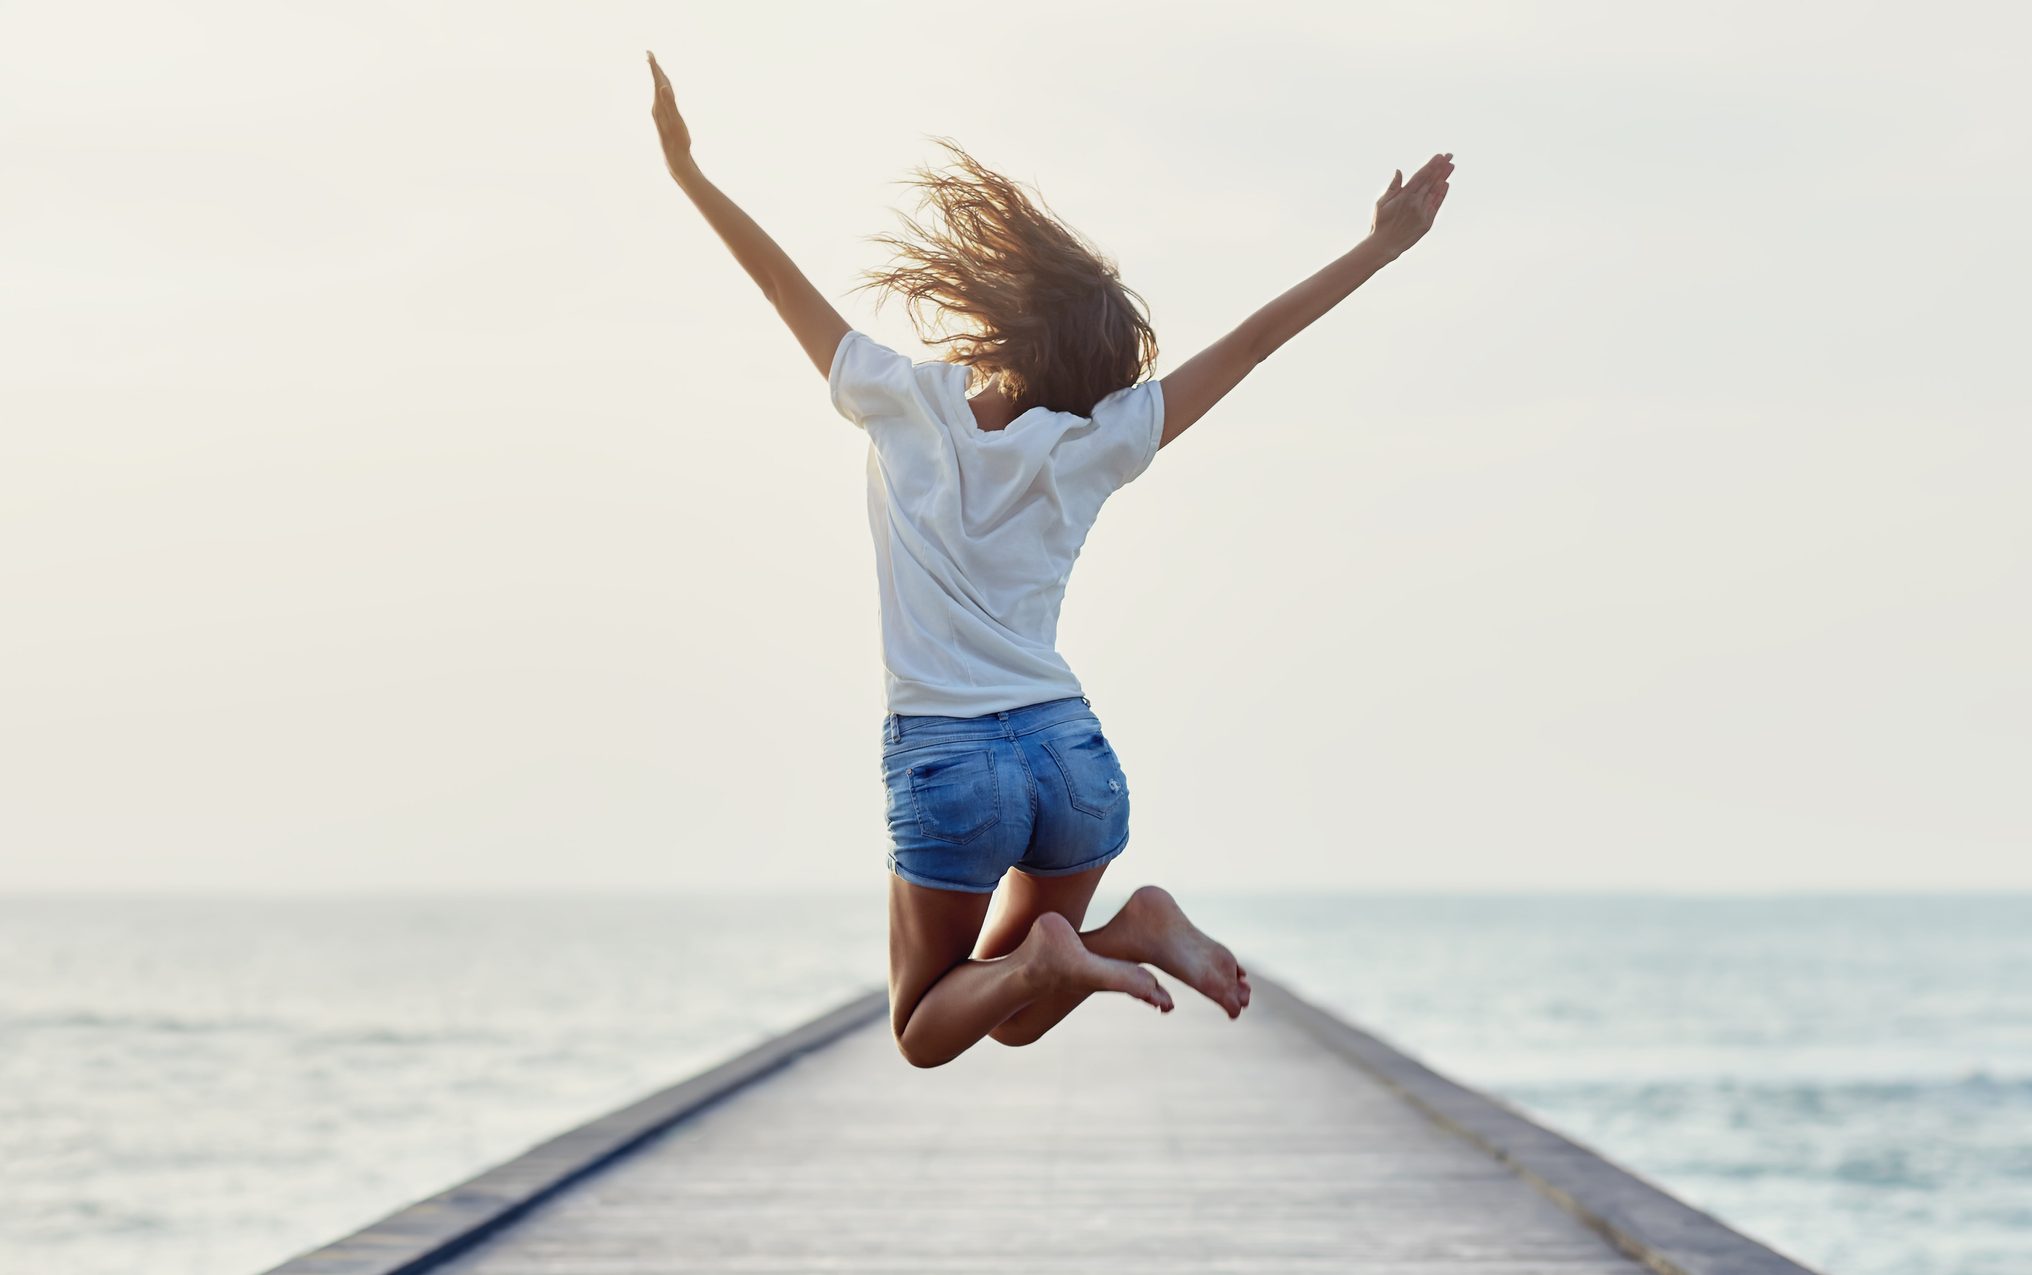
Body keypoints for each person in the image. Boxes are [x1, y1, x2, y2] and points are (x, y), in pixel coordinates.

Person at [646, 50, 1452, 1068]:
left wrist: (689, 175)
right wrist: (1379, 248)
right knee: (1015, 1007)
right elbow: (1251, 345)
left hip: (949, 757)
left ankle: (1076, 953)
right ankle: (1124, 933)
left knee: (926, 1028)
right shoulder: (1095, 445)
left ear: (1006, 319)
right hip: (1070, 758)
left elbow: (774, 281)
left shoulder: (898, 398)